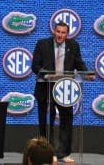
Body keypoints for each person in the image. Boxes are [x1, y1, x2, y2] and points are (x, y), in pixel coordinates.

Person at [32, 21, 94, 163]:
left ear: (67, 34)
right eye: (58, 31)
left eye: (63, 32)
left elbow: (78, 62)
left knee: (66, 120)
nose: (60, 35)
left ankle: (64, 153)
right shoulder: (42, 44)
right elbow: (35, 65)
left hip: (65, 88)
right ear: (54, 31)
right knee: (47, 122)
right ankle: (48, 153)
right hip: (46, 87)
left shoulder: (73, 46)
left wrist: (86, 73)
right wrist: (45, 75)